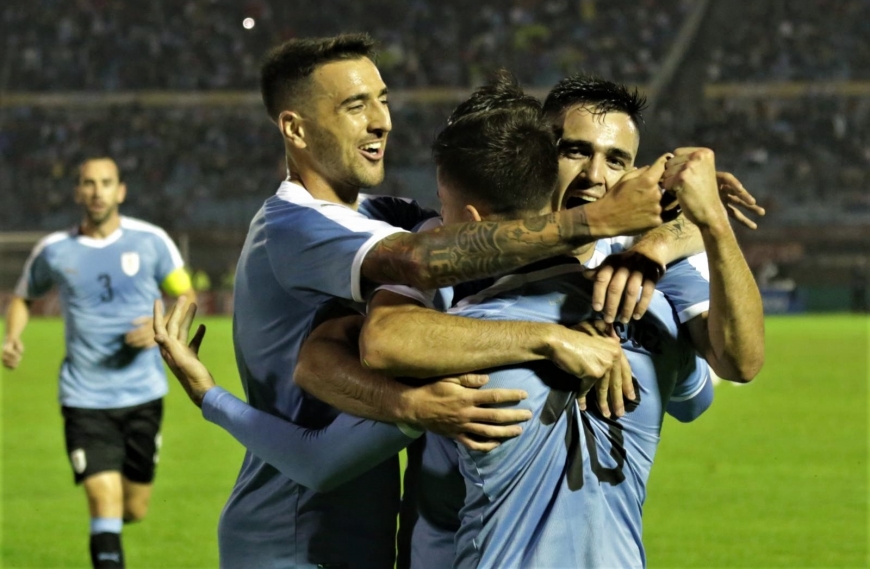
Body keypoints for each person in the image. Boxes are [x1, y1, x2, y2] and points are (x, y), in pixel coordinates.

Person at [197, 33, 667, 569]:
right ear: (294, 128)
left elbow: (469, 231)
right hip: (290, 530)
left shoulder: (382, 215)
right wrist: (590, 229)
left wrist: (666, 233)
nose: (382, 121)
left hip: (360, 522)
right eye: (356, 105)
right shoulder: (292, 227)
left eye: (383, 99)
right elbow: (412, 270)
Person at [2, 157, 195, 569]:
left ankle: (109, 527)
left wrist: (161, 327)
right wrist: (12, 336)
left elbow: (187, 296)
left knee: (133, 508)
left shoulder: (152, 241)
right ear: (77, 192)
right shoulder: (55, 250)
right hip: (84, 398)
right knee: (102, 499)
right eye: (88, 183)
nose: (97, 191)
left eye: (106, 183)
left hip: (144, 396)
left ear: (120, 191)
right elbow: (23, 297)